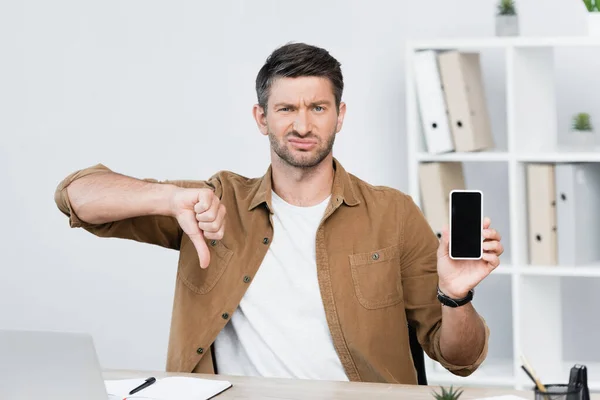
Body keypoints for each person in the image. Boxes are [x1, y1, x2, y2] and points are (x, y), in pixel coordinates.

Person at [54, 42, 502, 385]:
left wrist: (455, 296)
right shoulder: (214, 201)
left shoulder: (394, 214)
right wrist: (168, 198)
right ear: (261, 117)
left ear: (340, 115)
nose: (303, 126)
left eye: (318, 108)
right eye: (286, 108)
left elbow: (460, 360)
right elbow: (76, 196)